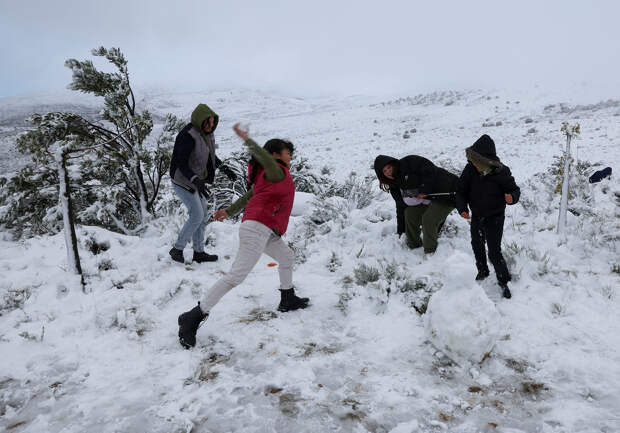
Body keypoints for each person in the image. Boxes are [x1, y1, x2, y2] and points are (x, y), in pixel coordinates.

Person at [177, 123, 310, 349]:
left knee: (286, 257)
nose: (291, 157)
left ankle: (287, 298)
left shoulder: (266, 177)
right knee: (235, 277)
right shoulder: (276, 169)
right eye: (288, 153)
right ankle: (193, 317)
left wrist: (227, 211)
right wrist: (247, 140)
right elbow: (265, 159)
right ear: (276, 155)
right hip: (258, 227)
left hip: (265, 229)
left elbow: (247, 197)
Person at [168, 103, 237, 264]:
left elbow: (209, 155)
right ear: (200, 120)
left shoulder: (207, 134)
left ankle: (198, 252)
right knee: (197, 215)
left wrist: (223, 168)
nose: (211, 125)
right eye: (208, 122)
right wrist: (195, 180)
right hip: (182, 180)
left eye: (213, 122)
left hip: (196, 181)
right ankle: (177, 249)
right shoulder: (187, 135)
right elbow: (181, 162)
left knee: (203, 215)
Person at [456, 134, 520, 299]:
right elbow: (461, 191)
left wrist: (512, 198)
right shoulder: (470, 169)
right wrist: (462, 207)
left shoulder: (501, 172)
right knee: (477, 243)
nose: (475, 166)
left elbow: (514, 190)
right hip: (477, 214)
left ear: (487, 160)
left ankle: (504, 279)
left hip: (495, 216)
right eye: (474, 162)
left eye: (479, 163)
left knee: (494, 251)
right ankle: (482, 270)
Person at [374, 154, 458, 254]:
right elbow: (401, 206)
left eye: (388, 167)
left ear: (393, 164)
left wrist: (424, 190)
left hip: (448, 192)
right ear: (381, 175)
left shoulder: (409, 162)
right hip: (430, 199)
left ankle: (430, 252)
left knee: (428, 219)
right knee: (409, 213)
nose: (388, 171)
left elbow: (430, 170)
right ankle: (414, 246)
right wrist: (401, 229)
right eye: (384, 171)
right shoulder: (394, 185)